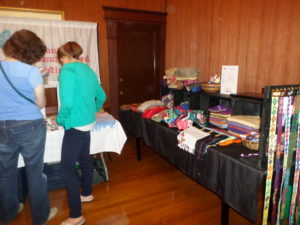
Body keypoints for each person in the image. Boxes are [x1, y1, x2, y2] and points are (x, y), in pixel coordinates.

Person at [0, 29, 57, 225]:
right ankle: (40, 217)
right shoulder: (32, 71)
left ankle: (9, 212)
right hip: (29, 125)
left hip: (1, 127)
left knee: (5, 172)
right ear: (31, 51)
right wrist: (37, 80)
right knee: (35, 173)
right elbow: (40, 103)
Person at [56, 41, 106, 225]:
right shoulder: (88, 70)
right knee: (84, 159)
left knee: (66, 168)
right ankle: (86, 193)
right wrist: (95, 109)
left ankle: (76, 215)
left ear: (62, 58)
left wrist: (61, 120)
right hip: (88, 122)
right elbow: (102, 96)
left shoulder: (67, 71)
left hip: (75, 125)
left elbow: (67, 103)